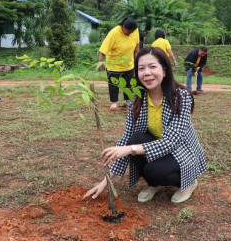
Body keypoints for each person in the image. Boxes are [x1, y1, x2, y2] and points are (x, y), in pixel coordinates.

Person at [84, 47, 207, 204]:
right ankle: (153, 183)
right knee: (133, 139)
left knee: (154, 169)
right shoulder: (137, 98)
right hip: (154, 146)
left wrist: (130, 149)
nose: (146, 73)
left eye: (152, 67)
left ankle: (188, 183)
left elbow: (171, 142)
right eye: (141, 68)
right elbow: (128, 137)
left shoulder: (181, 96)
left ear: (164, 70)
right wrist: (105, 182)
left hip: (180, 149)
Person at [98, 18, 140, 110]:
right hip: (114, 65)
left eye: (131, 32)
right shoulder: (113, 33)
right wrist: (100, 63)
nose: (129, 34)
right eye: (128, 31)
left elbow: (137, 47)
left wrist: (137, 61)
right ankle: (114, 103)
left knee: (129, 84)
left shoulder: (135, 30)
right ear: (123, 26)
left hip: (129, 64)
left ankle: (128, 102)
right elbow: (103, 51)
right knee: (113, 85)